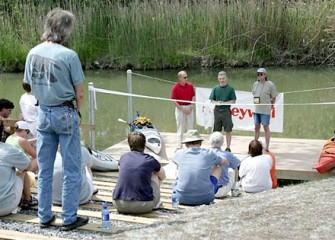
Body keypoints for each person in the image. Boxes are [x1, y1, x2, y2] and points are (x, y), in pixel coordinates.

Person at [23, 8, 87, 230]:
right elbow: (80, 92)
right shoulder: (69, 56)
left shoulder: (33, 52)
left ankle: (44, 215)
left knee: (45, 167)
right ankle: (69, 218)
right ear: (66, 30)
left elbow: (28, 86)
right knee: (71, 168)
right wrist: (76, 112)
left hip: (43, 113)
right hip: (65, 112)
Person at [113, 132, 166, 214]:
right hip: (143, 206)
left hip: (119, 204)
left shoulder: (123, 157)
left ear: (129, 144)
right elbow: (162, 176)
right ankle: (156, 203)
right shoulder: (150, 159)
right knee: (156, 175)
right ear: (145, 144)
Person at [173, 129, 228, 206]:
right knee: (218, 165)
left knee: (179, 166)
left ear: (186, 144)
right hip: (206, 198)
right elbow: (224, 161)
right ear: (200, 143)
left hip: (182, 198)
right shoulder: (208, 153)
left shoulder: (179, 153)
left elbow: (176, 162)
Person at [0, 142, 38, 216]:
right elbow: (29, 167)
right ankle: (27, 200)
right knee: (22, 171)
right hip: (4, 207)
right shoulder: (10, 150)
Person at [209, 71, 237, 152]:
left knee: (228, 130)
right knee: (216, 130)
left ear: (226, 79)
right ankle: (215, 146)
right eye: (220, 79)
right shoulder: (215, 88)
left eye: (223, 78)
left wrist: (224, 103)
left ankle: (228, 147)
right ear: (218, 79)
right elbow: (212, 100)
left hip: (226, 111)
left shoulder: (231, 89)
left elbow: (233, 101)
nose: (222, 80)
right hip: (217, 111)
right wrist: (217, 103)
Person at [252, 68, 277, 152]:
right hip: (256, 109)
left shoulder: (270, 84)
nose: (259, 75)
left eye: (261, 74)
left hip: (265, 110)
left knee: (265, 127)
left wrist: (271, 106)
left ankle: (267, 146)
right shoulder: (255, 84)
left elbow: (273, 97)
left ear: (265, 75)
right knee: (256, 127)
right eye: (258, 74)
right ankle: (255, 144)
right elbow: (254, 95)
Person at [209, 131, 240, 198]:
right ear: (222, 142)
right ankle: (234, 189)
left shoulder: (205, 153)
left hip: (206, 189)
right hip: (220, 191)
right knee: (232, 170)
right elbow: (237, 164)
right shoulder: (227, 155)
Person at [170, 71, 196, 149]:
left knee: (190, 128)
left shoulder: (190, 85)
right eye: (185, 77)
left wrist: (191, 106)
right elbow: (173, 100)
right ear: (180, 78)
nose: (186, 78)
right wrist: (182, 109)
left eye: (187, 77)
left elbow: (193, 96)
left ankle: (191, 146)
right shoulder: (175, 87)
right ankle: (179, 146)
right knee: (180, 128)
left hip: (189, 107)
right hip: (180, 108)